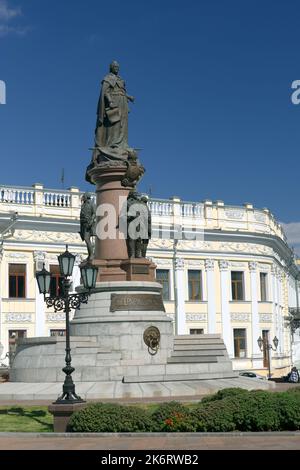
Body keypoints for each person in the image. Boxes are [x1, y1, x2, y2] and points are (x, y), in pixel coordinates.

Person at [94, 61, 134, 153]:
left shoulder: (120, 79)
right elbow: (105, 92)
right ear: (111, 68)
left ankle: (122, 144)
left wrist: (128, 96)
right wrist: (110, 101)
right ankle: (112, 144)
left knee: (123, 124)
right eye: (115, 66)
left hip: (123, 103)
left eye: (118, 67)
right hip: (115, 102)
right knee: (115, 123)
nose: (117, 68)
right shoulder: (108, 78)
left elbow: (121, 91)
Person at [79, 193, 96, 261]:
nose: (82, 198)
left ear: (86, 197)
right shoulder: (83, 205)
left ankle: (91, 255)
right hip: (84, 224)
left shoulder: (92, 204)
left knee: (87, 239)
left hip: (89, 224)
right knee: (86, 239)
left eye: (83, 197)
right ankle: (90, 255)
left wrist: (91, 221)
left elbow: (94, 213)